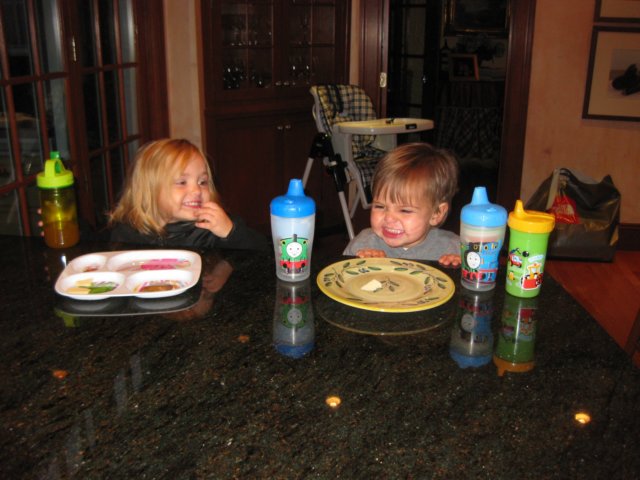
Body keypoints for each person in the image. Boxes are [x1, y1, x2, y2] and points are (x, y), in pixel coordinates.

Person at [108, 138, 268, 251]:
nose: (197, 191)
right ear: (149, 189)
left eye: (202, 182)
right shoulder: (126, 232)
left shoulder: (211, 227)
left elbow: (264, 252)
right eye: (182, 182)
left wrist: (230, 232)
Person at [343, 142, 461, 266]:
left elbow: (472, 274)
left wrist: (460, 269)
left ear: (437, 214)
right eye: (380, 206)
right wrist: (357, 265)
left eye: (405, 210)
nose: (389, 218)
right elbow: (338, 274)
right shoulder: (363, 244)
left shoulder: (453, 248)